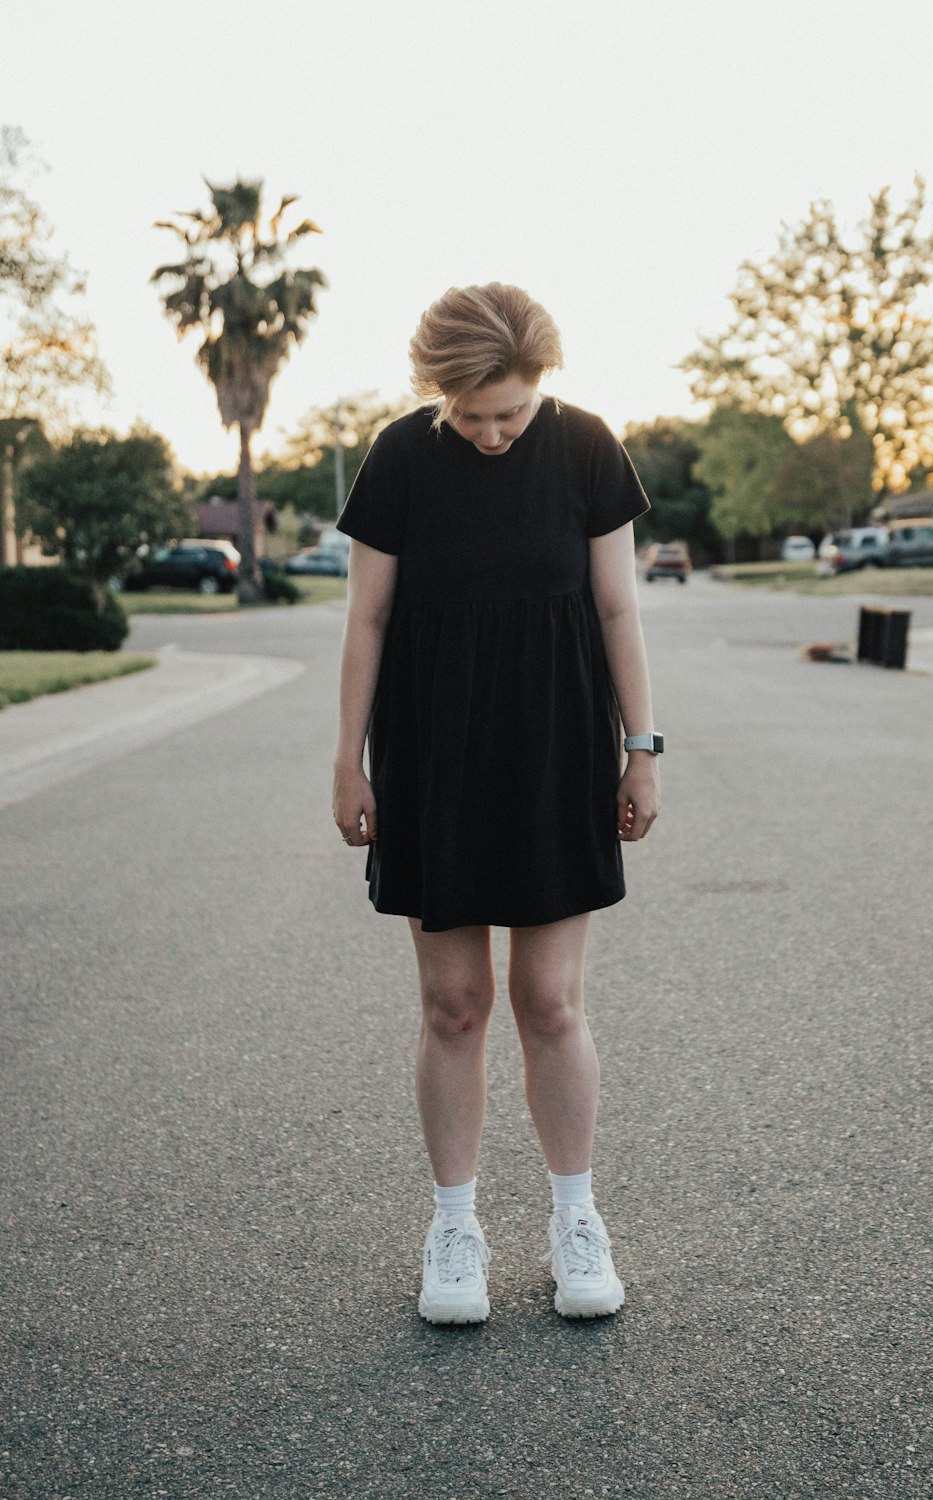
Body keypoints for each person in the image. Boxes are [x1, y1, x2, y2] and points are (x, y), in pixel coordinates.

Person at [333, 283, 660, 1324]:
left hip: (559, 745)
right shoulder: (397, 457)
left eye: (508, 412)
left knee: (551, 1001)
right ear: (438, 393)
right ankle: (454, 1228)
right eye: (469, 414)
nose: (489, 432)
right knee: (455, 1003)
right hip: (432, 749)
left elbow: (616, 605)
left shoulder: (587, 449)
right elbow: (367, 621)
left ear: (540, 384)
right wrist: (349, 760)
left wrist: (639, 751)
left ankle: (575, 1220)